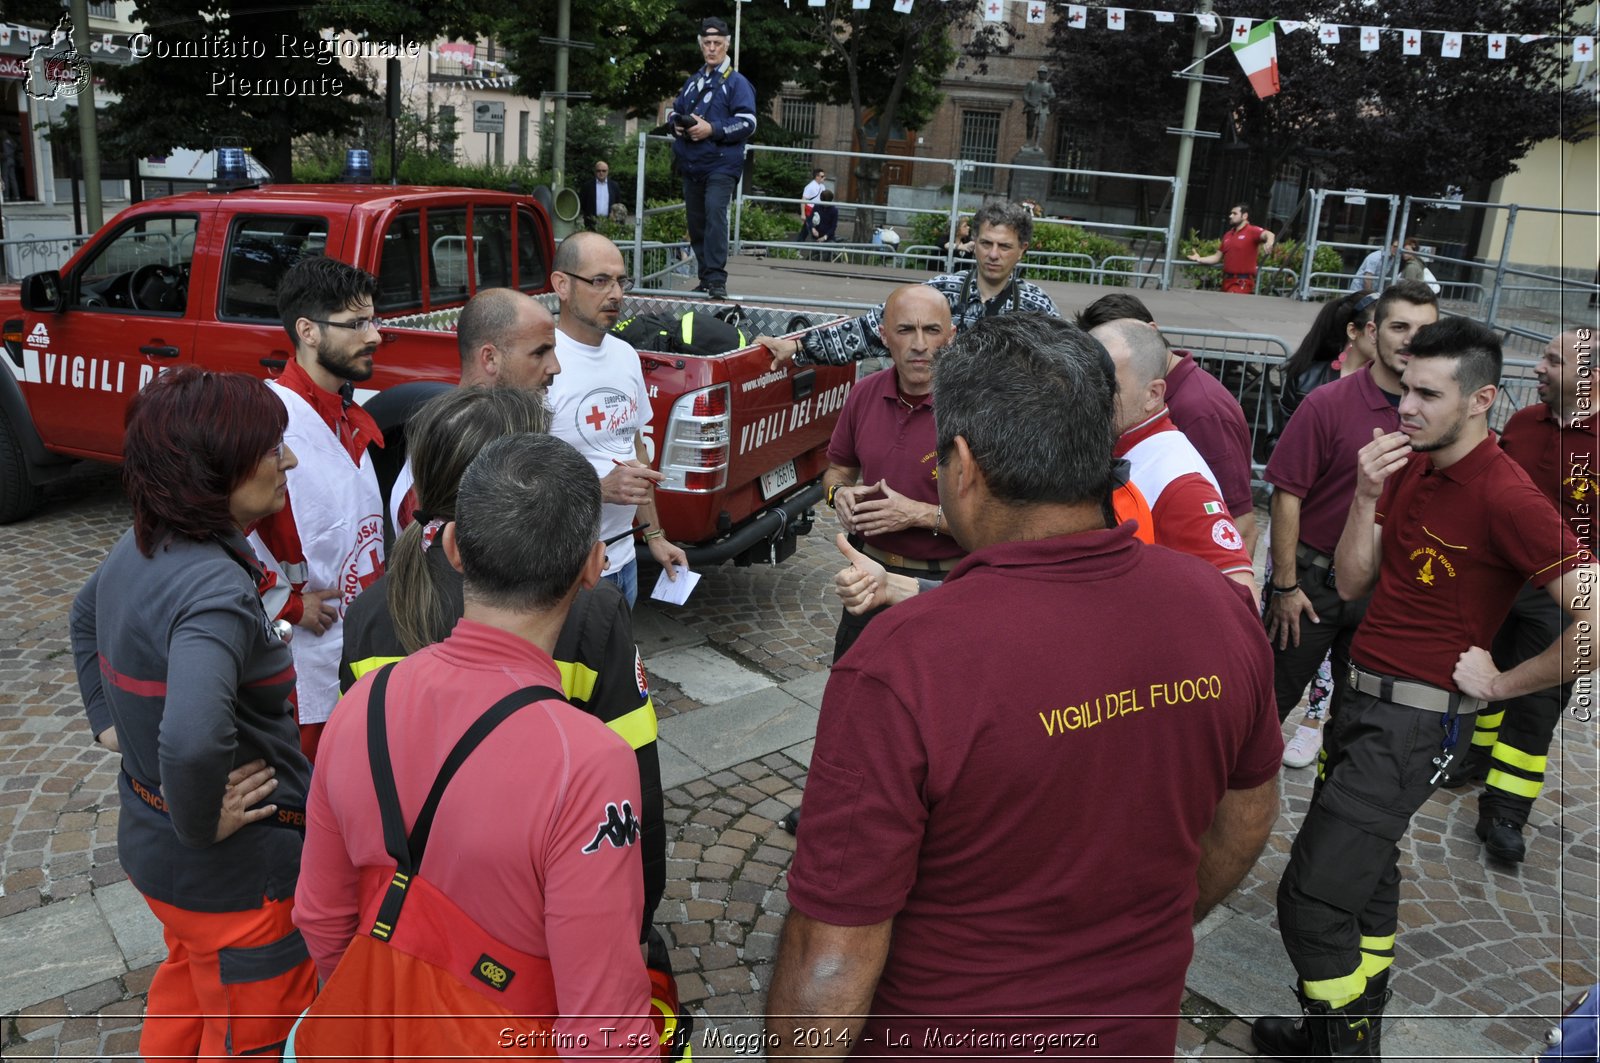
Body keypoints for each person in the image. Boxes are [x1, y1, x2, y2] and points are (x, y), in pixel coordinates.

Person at [767, 313, 1281, 1057]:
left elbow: (829, 956)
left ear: (963, 464)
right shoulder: (1216, 609)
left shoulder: (903, 663)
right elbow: (1247, 819)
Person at [1255, 317, 1596, 1059]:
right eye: (1405, 387)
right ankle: (1337, 1034)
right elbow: (1351, 581)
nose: (1404, 406)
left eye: (1427, 394)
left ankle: (1342, 1048)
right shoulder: (1410, 464)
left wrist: (1505, 681)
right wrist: (1364, 494)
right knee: (1368, 877)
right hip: (1359, 701)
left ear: (1481, 401)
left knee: (1311, 901)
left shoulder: (1508, 494)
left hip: (1411, 728)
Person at [296, 434, 655, 1058]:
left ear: (454, 548)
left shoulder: (365, 699)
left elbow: (323, 917)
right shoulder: (590, 762)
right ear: (595, 567)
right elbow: (603, 1020)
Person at [341, 386, 667, 940]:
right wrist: (639, 923)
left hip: (413, 910)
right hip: (532, 911)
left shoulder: (372, 612)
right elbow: (636, 795)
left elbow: (357, 783)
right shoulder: (586, 614)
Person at [71, 367, 316, 1060]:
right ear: (218, 467)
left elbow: (84, 611)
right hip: (237, 884)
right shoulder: (211, 586)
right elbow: (191, 737)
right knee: (251, 1036)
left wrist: (107, 720)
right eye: (271, 447)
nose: (288, 459)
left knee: (186, 992)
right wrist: (199, 820)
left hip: (160, 860)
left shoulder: (145, 542)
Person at [1262, 281, 1437, 771]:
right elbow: (1287, 496)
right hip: (1312, 590)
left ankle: (1331, 815)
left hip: (1387, 595)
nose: (1410, 339)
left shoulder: (1443, 418)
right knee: (1262, 710)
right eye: (1399, 326)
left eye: (1424, 329)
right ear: (1372, 331)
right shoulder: (1328, 404)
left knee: (1358, 725)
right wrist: (1285, 586)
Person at [1448, 327, 1598, 864]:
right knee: (1482, 675)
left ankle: (1506, 811)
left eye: (1553, 361)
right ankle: (1469, 761)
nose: (1538, 367)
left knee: (1535, 702)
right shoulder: (1521, 422)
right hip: (1500, 582)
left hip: (1562, 596)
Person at [252, 256, 386, 762]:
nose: (372, 336)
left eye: (373, 320)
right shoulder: (271, 422)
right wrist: (285, 607)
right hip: (304, 672)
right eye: (355, 325)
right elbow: (216, 532)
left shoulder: (344, 412)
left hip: (360, 653)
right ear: (306, 331)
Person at [547, 232, 689, 606]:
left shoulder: (626, 355)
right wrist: (599, 489)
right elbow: (516, 479)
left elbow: (635, 449)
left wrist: (655, 536)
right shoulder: (541, 361)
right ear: (562, 285)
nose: (616, 294)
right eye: (600, 281)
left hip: (624, 561)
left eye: (621, 281)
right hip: (564, 571)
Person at [824, 285, 962, 662]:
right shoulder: (863, 394)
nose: (919, 344)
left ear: (950, 337)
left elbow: (1004, 523)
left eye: (932, 330)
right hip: (869, 576)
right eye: (905, 330)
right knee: (855, 703)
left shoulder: (975, 408)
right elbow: (837, 471)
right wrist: (840, 496)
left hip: (946, 583)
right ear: (884, 336)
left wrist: (917, 514)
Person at [756, 200, 1059, 368]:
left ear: (1023, 250)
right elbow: (871, 328)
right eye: (986, 243)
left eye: (1004, 246)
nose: (993, 254)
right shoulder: (938, 292)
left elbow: (1068, 370)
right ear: (973, 243)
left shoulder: (1039, 309)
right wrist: (797, 346)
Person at [1076, 291, 1258, 555]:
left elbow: (1239, 525)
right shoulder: (1138, 418)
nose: (1092, 396)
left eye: (1108, 382)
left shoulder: (1200, 410)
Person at [387, 287, 560, 532]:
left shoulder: (506, 434)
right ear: (490, 358)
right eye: (540, 352)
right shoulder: (442, 465)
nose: (555, 367)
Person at [667, 16, 757, 301]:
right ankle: (706, 277)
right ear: (701, 45)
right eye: (707, 43)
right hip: (693, 165)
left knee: (715, 213)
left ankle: (716, 279)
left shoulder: (738, 83)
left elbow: (749, 123)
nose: (712, 48)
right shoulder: (693, 82)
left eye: (717, 43)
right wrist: (676, 125)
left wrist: (712, 129)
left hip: (721, 164)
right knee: (696, 223)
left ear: (727, 45)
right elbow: (673, 111)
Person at [1187, 203, 1275, 294]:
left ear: (1244, 216)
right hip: (1226, 281)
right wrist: (1199, 259)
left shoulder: (1252, 231)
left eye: (1234, 213)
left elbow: (1269, 234)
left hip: (1241, 282)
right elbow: (1216, 257)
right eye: (1231, 213)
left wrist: (1269, 242)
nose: (1230, 216)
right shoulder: (1228, 235)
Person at [578, 159, 624, 232]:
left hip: (609, 223)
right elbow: (583, 203)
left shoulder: (614, 186)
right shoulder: (587, 186)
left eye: (604, 171)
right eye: (598, 171)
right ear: (595, 172)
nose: (601, 173)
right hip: (592, 224)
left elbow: (617, 203)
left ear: (607, 172)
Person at [1021, 65, 1056, 147]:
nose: (1043, 75)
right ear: (1038, 73)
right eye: (1041, 73)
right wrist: (1029, 102)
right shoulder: (1031, 83)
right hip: (1032, 106)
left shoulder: (1048, 85)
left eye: (1045, 73)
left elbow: (1053, 95)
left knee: (1040, 126)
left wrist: (1047, 96)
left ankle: (1037, 144)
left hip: (1043, 107)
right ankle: (1028, 141)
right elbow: (1025, 95)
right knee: (1030, 124)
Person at [796, 168, 826, 242]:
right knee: (809, 230)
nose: (824, 178)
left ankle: (797, 248)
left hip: (818, 211)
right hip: (810, 211)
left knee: (806, 231)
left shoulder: (822, 187)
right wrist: (803, 214)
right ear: (817, 176)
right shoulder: (810, 187)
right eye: (822, 176)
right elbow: (803, 200)